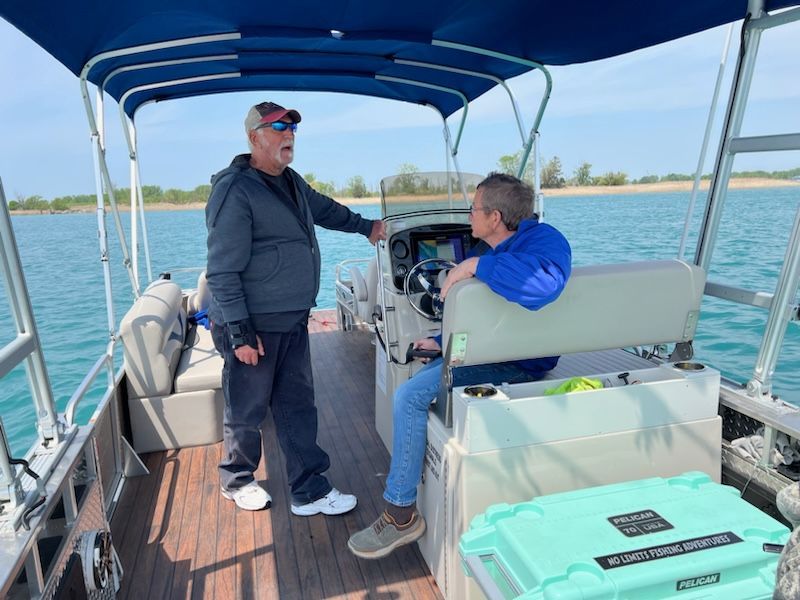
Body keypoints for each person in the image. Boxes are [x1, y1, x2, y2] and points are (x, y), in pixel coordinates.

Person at [348, 172, 571, 558]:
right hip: (495, 350)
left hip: (520, 362)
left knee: (408, 396)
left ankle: (401, 515)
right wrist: (437, 341)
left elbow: (542, 289)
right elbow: (490, 317)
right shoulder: (497, 247)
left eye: (473, 209)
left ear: (496, 217)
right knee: (418, 372)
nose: (468, 217)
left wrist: (468, 267)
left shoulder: (544, 241)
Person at [206, 101, 386, 514]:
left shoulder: (291, 181)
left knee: (297, 403)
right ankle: (236, 479)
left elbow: (325, 210)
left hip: (289, 318)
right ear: (255, 137)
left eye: (292, 129)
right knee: (247, 408)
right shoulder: (234, 189)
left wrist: (366, 227)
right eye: (279, 128)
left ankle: (310, 490)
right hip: (252, 323)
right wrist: (240, 333)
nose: (289, 135)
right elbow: (221, 271)